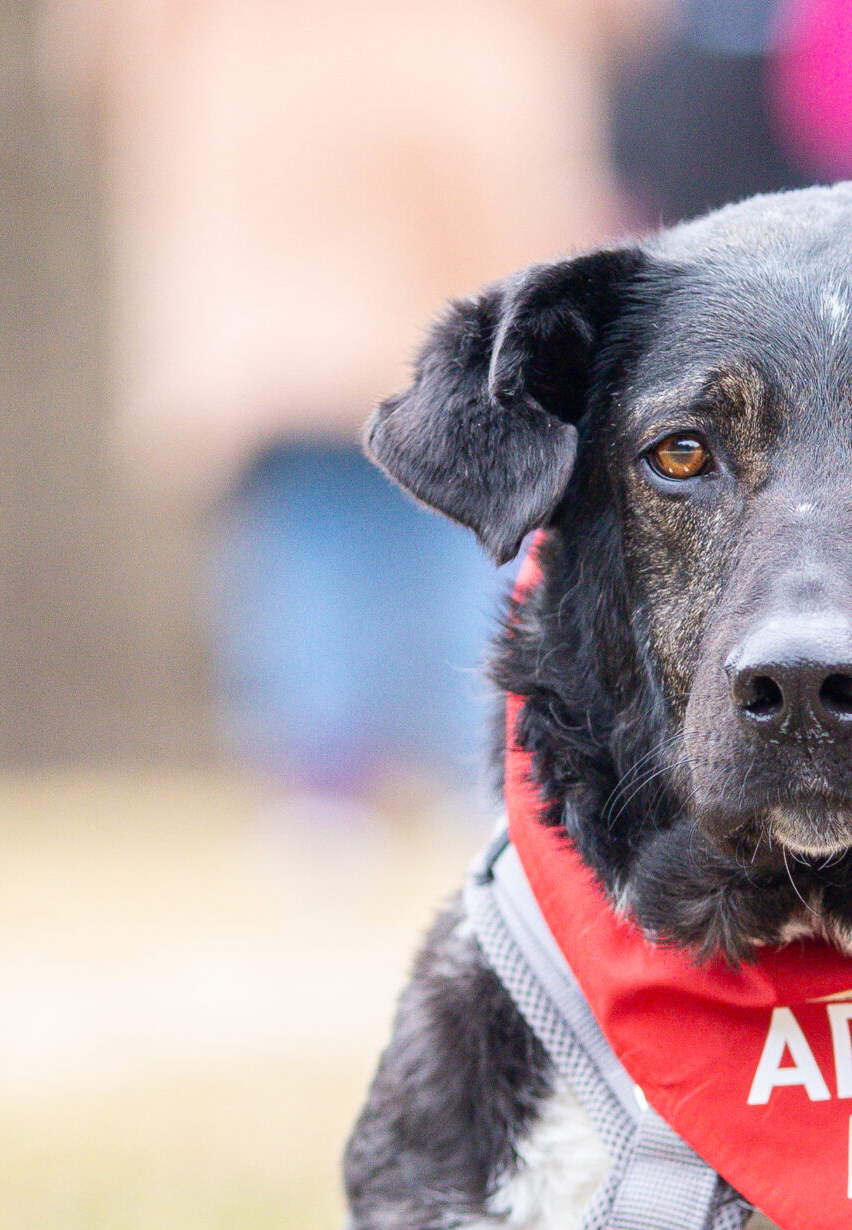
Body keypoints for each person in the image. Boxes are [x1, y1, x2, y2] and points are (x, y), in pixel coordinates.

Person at [53, 0, 649, 801]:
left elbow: (98, 52)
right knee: (479, 474)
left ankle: (326, 784)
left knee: (314, 504)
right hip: (468, 138)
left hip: (266, 149)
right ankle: (488, 762)